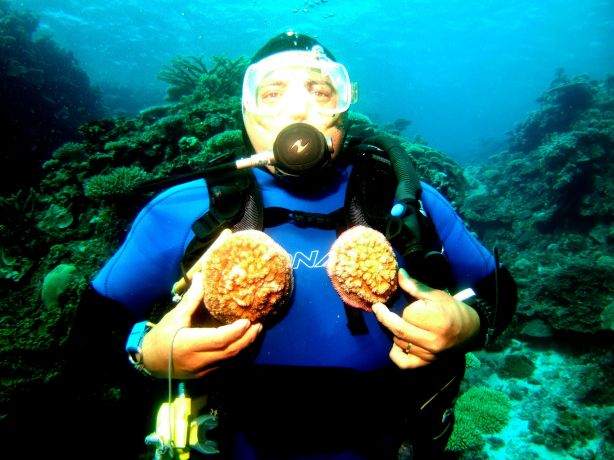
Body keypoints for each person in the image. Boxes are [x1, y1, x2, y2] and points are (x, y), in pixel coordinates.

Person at [77, 31, 517, 459]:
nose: (298, 110)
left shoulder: (407, 201)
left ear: (346, 105)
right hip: (229, 440)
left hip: (389, 439)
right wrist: (147, 353)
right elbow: (90, 335)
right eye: (271, 94)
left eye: (321, 91)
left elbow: (501, 294)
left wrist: (470, 325)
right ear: (245, 110)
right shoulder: (181, 211)